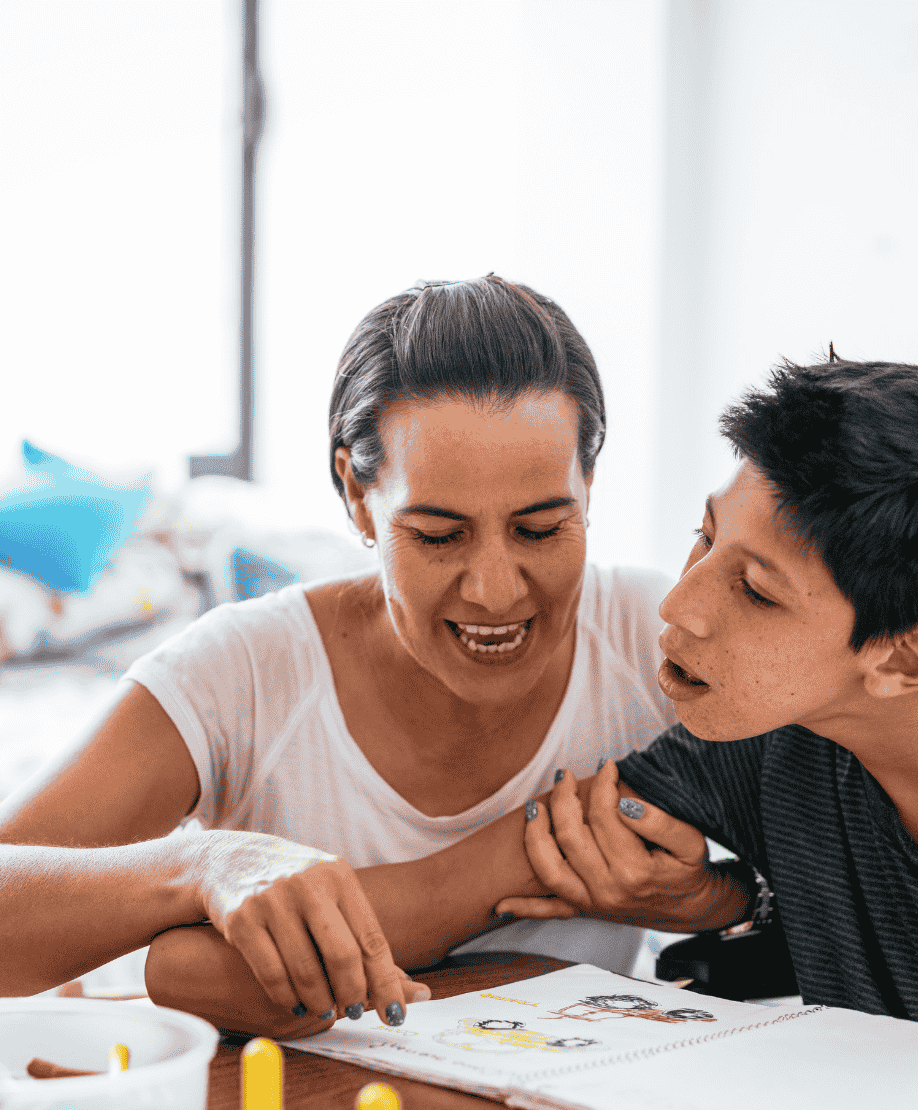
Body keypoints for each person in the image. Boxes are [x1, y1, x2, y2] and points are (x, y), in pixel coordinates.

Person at [0, 276, 675, 1036]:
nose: (494, 590)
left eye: (542, 529)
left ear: (588, 481)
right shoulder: (244, 672)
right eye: (438, 535)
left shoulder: (656, 637)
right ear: (356, 494)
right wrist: (200, 867)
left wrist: (727, 897)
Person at [488, 354, 918, 1043]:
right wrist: (729, 901)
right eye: (705, 537)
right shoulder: (782, 723)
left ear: (901, 658)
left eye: (758, 592)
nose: (681, 604)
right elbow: (478, 876)